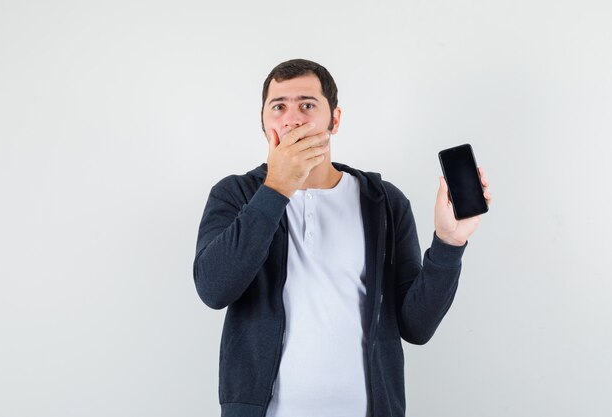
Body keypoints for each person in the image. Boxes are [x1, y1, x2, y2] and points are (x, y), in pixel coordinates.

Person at [193, 58, 492, 417]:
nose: (292, 118)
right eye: (278, 107)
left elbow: (416, 326)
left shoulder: (383, 202)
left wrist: (449, 243)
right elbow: (214, 288)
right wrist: (277, 187)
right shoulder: (235, 194)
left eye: (307, 105)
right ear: (263, 121)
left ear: (334, 119)